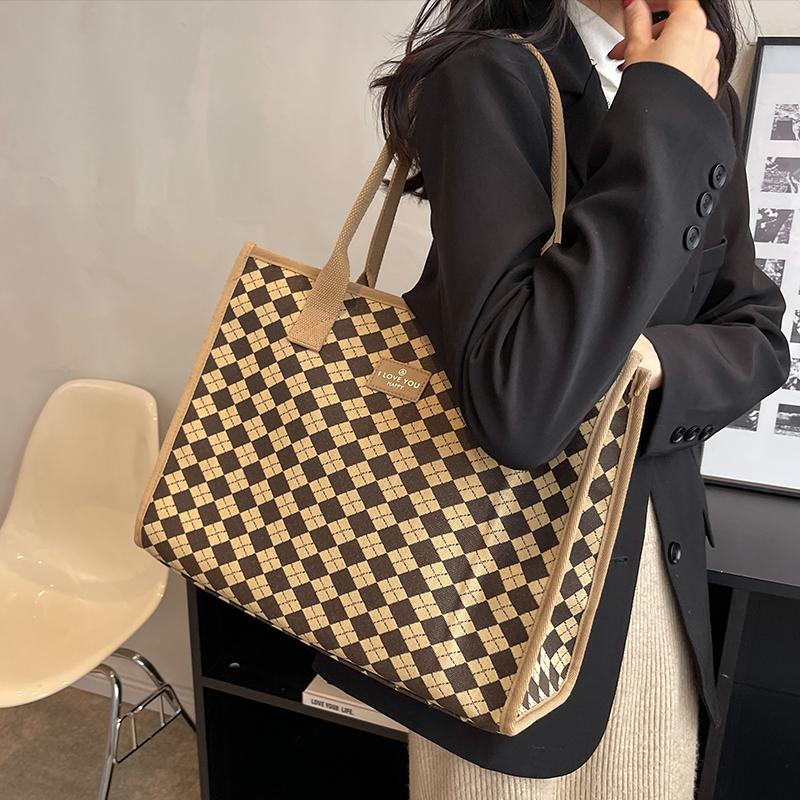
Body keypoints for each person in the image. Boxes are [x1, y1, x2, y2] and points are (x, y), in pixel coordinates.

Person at [310, 0, 791, 796]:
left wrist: (651, 358)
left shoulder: (707, 88)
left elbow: (758, 334)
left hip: (651, 588)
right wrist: (662, 111)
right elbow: (521, 404)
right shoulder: (490, 75)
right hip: (484, 589)